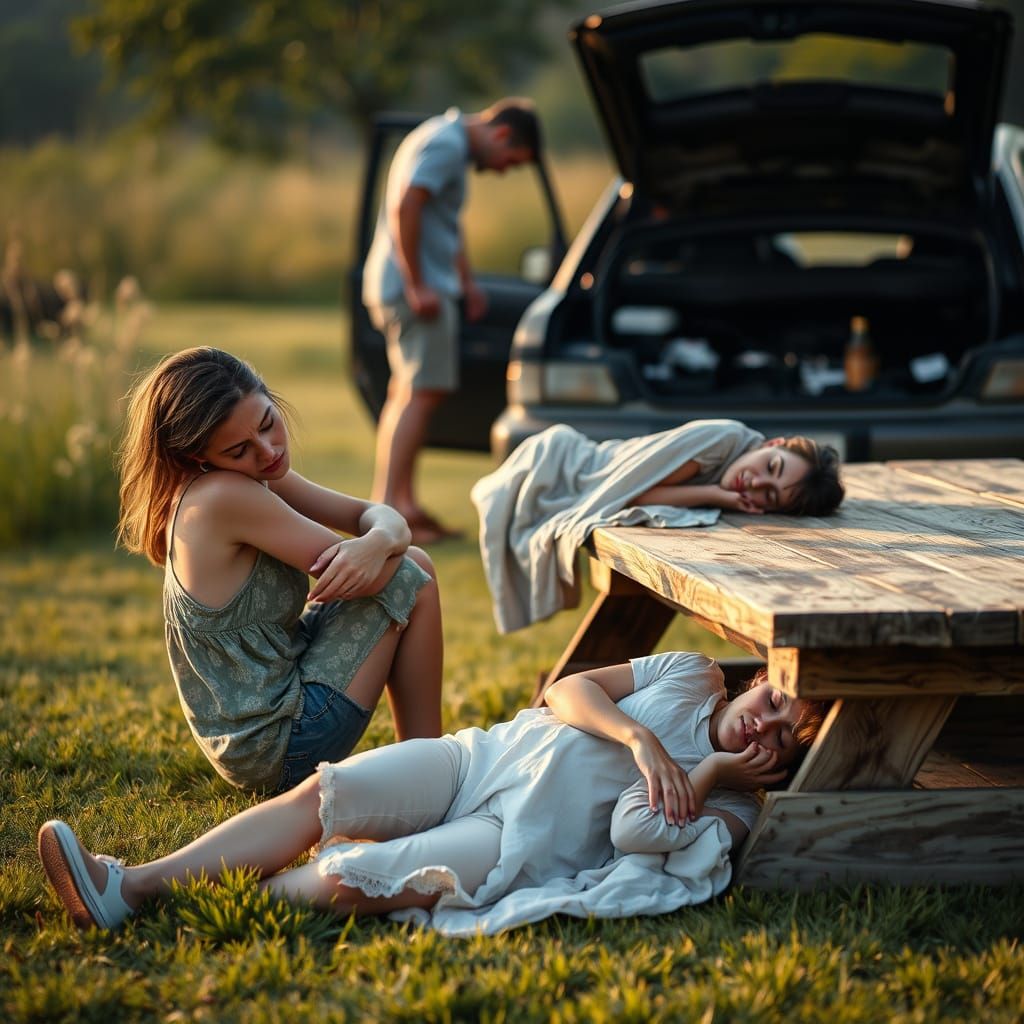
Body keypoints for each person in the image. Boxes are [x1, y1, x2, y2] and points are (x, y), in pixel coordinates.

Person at [38, 650, 828, 936]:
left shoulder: (729, 804)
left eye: (782, 743)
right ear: (756, 681)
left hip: (513, 841)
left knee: (357, 879)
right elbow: (569, 689)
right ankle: (131, 884)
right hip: (478, 762)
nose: (763, 733)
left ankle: (182, 901)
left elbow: (632, 839)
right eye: (770, 708)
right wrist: (639, 737)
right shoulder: (690, 673)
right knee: (328, 793)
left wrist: (713, 774)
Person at [115, 347, 443, 793]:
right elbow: (388, 571)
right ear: (197, 458)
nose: (267, 451)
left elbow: (373, 515)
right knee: (413, 574)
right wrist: (382, 544)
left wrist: (380, 540)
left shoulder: (248, 474)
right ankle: (431, 770)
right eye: (239, 449)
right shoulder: (224, 497)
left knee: (407, 564)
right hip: (282, 743)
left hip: (257, 737)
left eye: (268, 422)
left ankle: (426, 762)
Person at [472, 418, 845, 633]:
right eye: (771, 466)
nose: (755, 483)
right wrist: (716, 495)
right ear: (774, 443)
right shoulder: (724, 440)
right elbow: (634, 495)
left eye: (771, 496)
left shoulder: (738, 465)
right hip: (564, 469)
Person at [362, 98, 541, 544]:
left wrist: (467, 281)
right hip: (414, 290)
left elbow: (444, 222)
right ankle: (392, 505)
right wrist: (417, 284)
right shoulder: (445, 146)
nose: (502, 170)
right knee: (422, 392)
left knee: (406, 391)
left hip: (410, 284)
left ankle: (400, 503)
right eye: (509, 161)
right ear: (501, 134)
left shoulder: (444, 142)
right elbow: (408, 206)